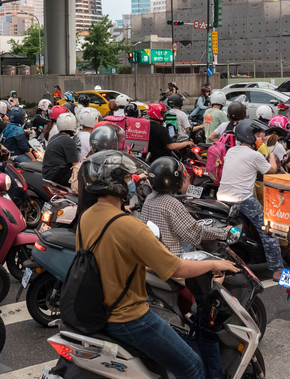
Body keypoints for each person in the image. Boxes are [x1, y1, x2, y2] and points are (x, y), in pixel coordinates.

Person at [79, 150, 237, 379]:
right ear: (116, 185)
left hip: (99, 308)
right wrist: (215, 263)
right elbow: (178, 267)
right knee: (193, 366)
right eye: (126, 179)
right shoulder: (126, 225)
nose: (130, 184)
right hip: (129, 316)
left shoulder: (88, 216)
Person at [217, 119, 283, 281]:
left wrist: (263, 157)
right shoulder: (254, 155)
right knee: (268, 229)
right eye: (256, 134)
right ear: (249, 135)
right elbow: (272, 171)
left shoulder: (232, 151)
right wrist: (272, 156)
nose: (259, 137)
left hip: (222, 197)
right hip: (242, 198)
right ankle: (277, 269)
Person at [140, 156, 230, 256]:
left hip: (152, 256)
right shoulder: (171, 203)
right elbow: (193, 234)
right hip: (171, 260)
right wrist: (224, 232)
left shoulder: (149, 198)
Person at [42, 112, 80, 187]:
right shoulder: (68, 141)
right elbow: (75, 165)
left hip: (48, 173)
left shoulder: (55, 137)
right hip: (57, 174)